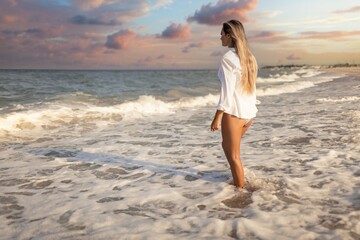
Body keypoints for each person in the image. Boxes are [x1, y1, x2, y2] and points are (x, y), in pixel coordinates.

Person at [211, 19, 258, 189]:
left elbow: (227, 92)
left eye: (222, 34)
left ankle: (241, 193)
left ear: (230, 35)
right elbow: (251, 88)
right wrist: (252, 113)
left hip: (234, 113)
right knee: (227, 147)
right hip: (247, 113)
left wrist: (217, 116)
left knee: (234, 157)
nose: (220, 38)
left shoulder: (228, 58)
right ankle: (241, 181)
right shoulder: (249, 57)